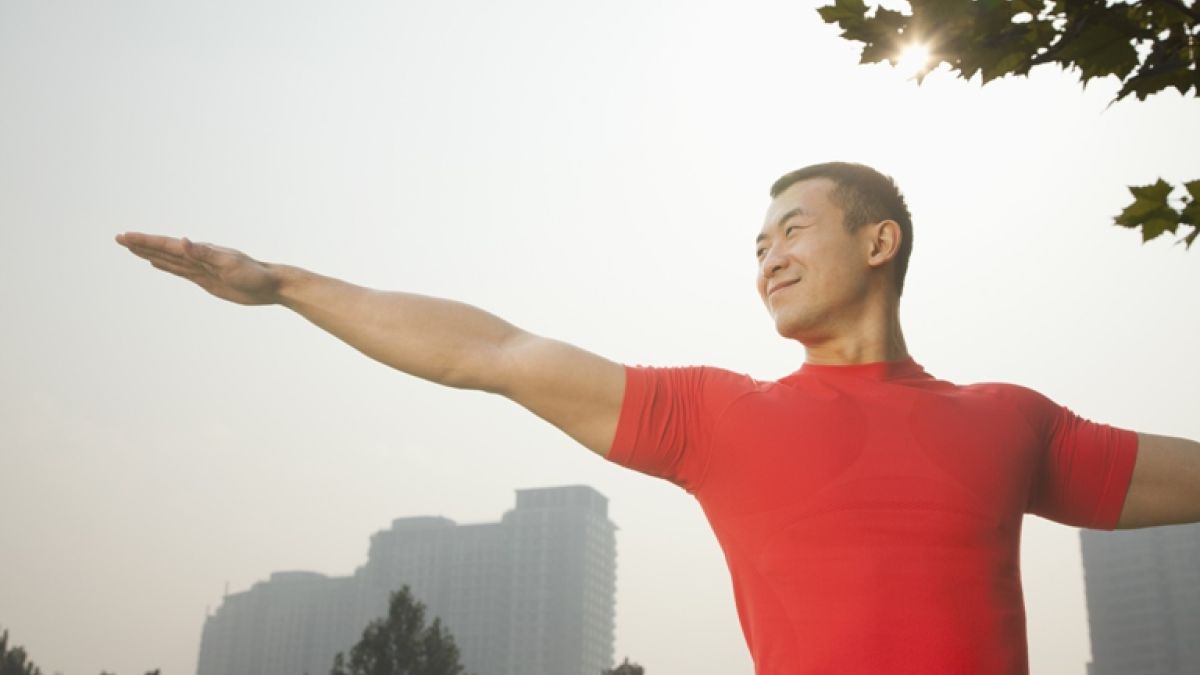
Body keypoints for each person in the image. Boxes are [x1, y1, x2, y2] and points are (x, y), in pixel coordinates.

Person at [116, 161, 1200, 675]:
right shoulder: (717, 416)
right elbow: (492, 353)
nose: (767, 255)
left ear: (879, 244)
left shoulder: (1012, 423)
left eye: (792, 228)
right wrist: (286, 286)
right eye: (756, 243)